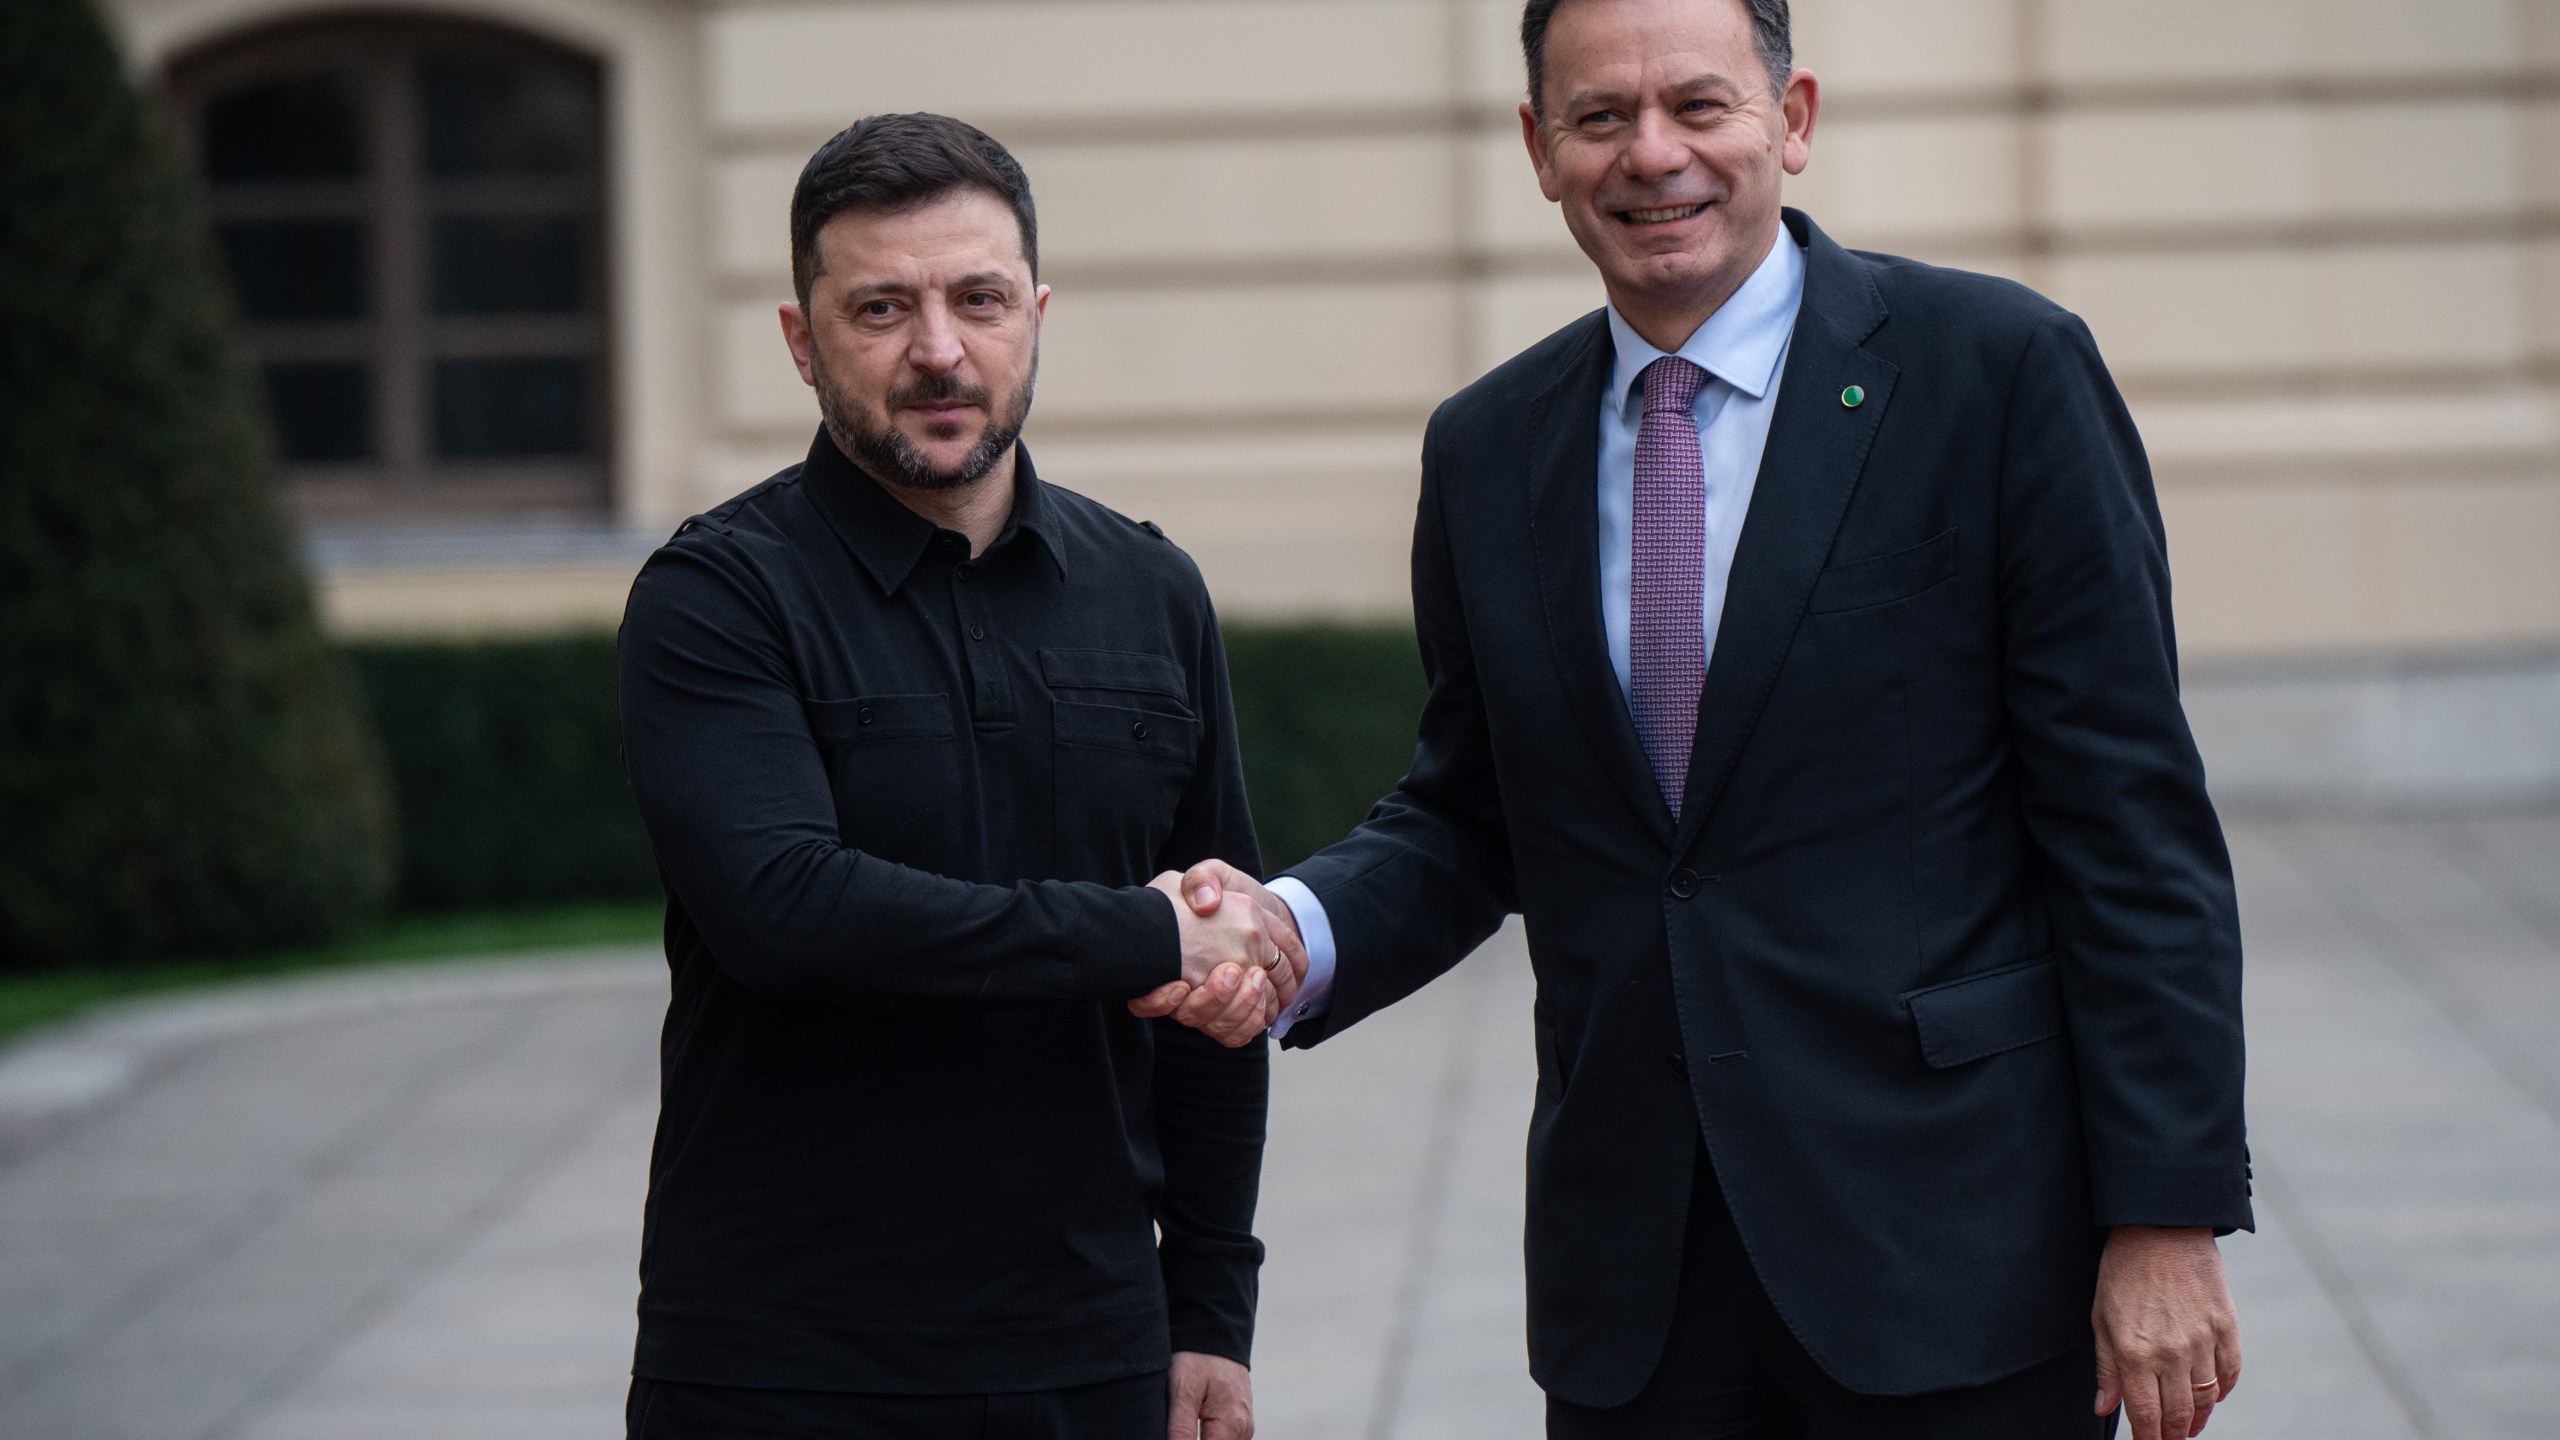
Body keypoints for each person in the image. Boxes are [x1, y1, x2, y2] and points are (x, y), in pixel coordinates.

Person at [1162, 2, 2250, 1437]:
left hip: (1955, 1263)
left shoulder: (1999, 375)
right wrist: (1296, 930)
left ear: (1791, 120)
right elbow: (1473, 808)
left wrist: (2164, 1215)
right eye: (1599, 118)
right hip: (1640, 1294)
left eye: (1699, 106)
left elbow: (2131, 825)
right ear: (1540, 150)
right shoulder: (1488, 448)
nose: (1651, 154)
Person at [616, 112, 1299, 1440]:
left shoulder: (1152, 592)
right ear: (802, 342)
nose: (938, 349)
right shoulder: (717, 597)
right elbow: (785, 909)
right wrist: (1144, 928)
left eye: (977, 298)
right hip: (782, 1363)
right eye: (880, 307)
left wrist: (1211, 1305)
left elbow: (1218, 1001)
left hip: (1091, 1351)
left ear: (1035, 314)